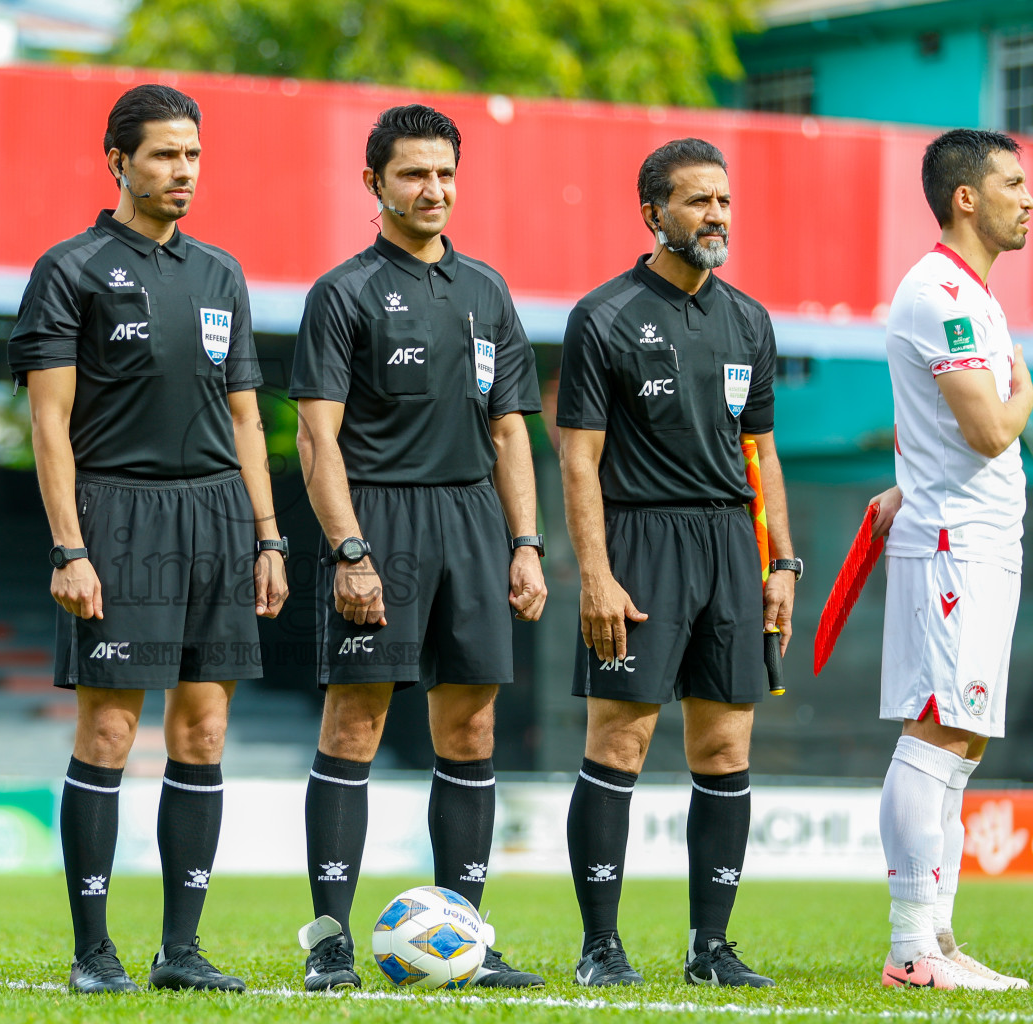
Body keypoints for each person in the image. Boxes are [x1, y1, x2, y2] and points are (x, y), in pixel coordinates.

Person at [6, 84, 288, 995]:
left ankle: (181, 949)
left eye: (194, 156)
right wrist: (69, 545)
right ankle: (94, 950)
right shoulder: (71, 268)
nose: (183, 172)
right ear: (118, 159)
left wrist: (269, 536)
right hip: (117, 514)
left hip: (215, 517)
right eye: (166, 155)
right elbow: (49, 425)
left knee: (203, 730)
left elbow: (247, 420)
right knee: (113, 728)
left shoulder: (221, 274)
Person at [289, 104, 548, 992]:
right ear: (375, 184)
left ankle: (464, 939)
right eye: (412, 174)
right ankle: (328, 940)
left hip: (475, 520)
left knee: (470, 725)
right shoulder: (344, 292)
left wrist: (527, 543)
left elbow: (512, 432)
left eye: (444, 173)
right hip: (382, 523)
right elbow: (317, 442)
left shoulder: (488, 291)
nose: (432, 190)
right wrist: (349, 549)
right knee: (355, 722)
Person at [555, 138, 796, 989]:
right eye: (698, 202)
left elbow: (761, 453)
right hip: (641, 542)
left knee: (726, 748)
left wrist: (784, 563)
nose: (717, 216)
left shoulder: (750, 320)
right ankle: (601, 946)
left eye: (723, 201)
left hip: (733, 544)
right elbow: (577, 457)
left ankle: (711, 947)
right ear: (653, 212)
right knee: (620, 741)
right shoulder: (606, 314)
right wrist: (594, 572)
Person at [865, 129, 1032, 991]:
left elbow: (929, 432)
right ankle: (909, 949)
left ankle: (938, 939)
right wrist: (1027, 376)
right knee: (935, 734)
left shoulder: (971, 294)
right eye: (1012, 183)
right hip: (953, 546)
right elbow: (991, 427)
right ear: (965, 197)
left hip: (976, 540)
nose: (1026, 198)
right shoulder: (941, 294)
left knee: (958, 742)